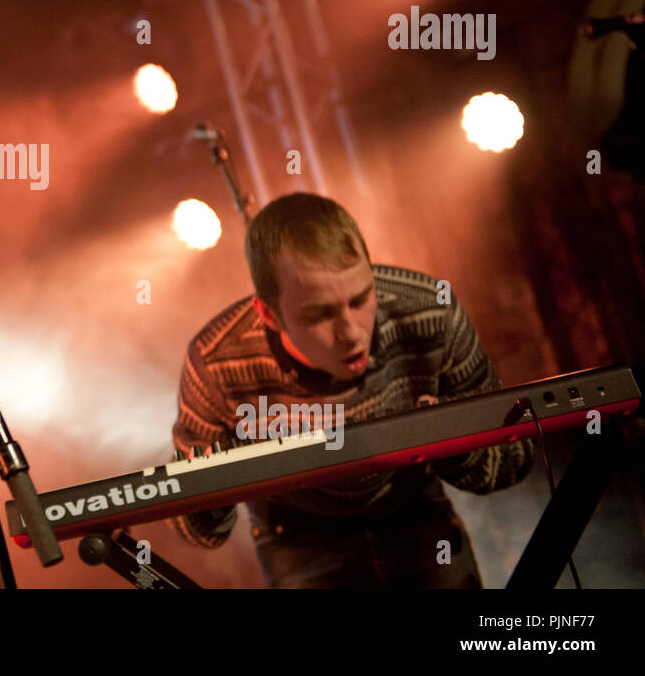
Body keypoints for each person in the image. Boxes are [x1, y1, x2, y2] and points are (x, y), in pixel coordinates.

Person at [169, 192, 534, 587]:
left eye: (361, 298)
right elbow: (198, 533)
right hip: (295, 536)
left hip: (412, 508)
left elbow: (513, 459)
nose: (350, 332)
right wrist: (215, 487)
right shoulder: (215, 362)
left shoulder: (429, 310)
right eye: (320, 314)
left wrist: (450, 444)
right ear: (269, 314)